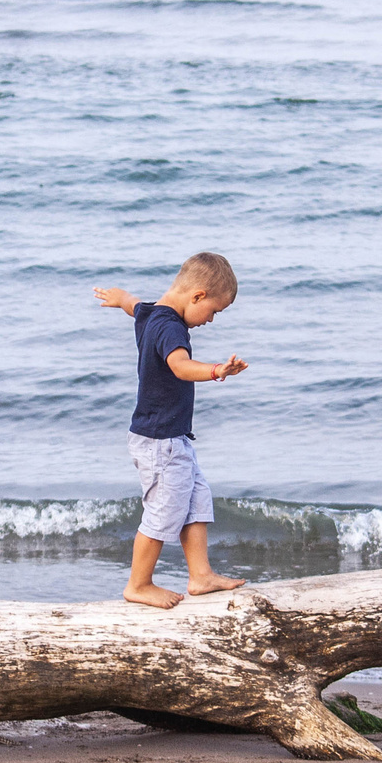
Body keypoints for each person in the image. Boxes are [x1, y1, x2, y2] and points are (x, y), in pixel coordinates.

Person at [93, 254, 251, 608]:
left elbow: (134, 306)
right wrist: (216, 371)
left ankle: (201, 575)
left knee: (195, 500)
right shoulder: (171, 328)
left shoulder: (152, 312)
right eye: (213, 311)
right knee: (164, 510)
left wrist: (120, 297)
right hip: (160, 440)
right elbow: (179, 366)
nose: (210, 320)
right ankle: (138, 584)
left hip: (170, 437)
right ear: (196, 296)